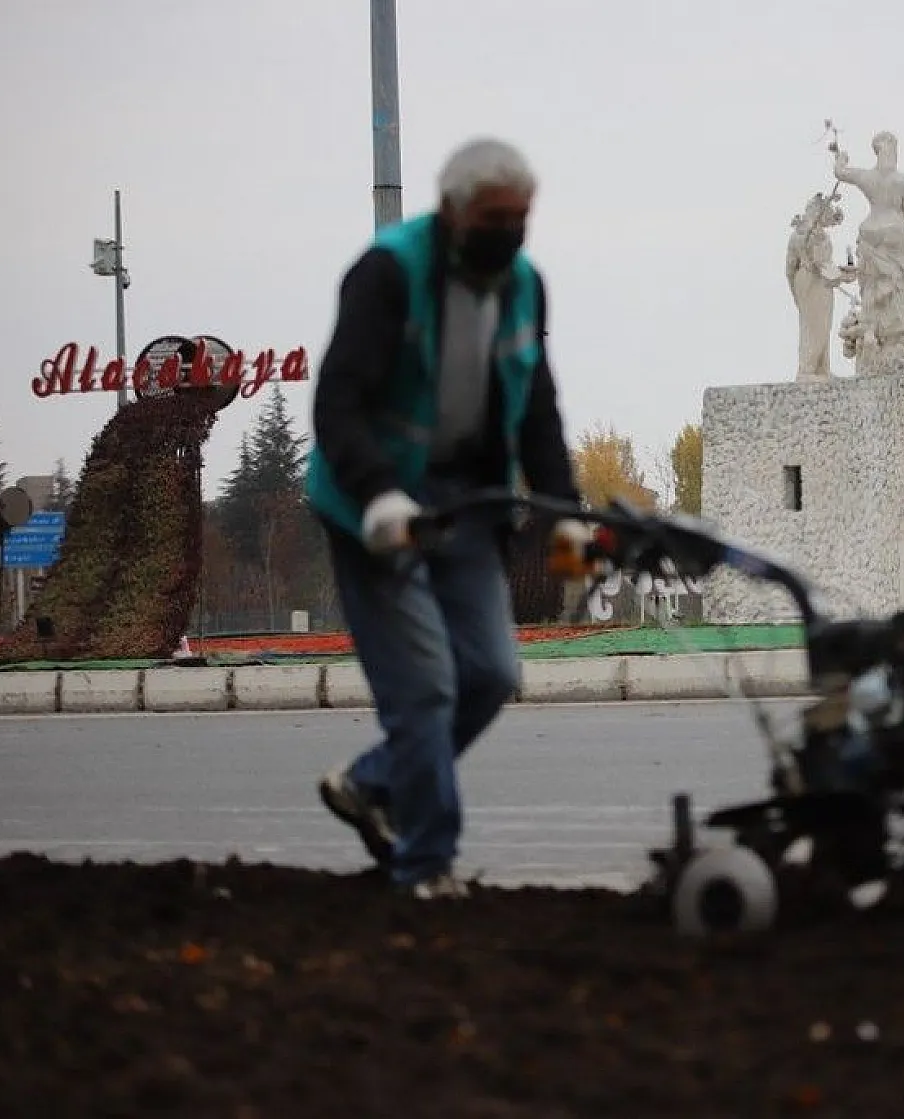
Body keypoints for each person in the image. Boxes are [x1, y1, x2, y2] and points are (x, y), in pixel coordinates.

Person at [303, 137, 592, 900]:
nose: (511, 231)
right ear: (455, 209)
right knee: (426, 686)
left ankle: (371, 783)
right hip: (375, 504)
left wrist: (564, 513)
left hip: (467, 499)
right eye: (496, 217)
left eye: (521, 217)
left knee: (493, 671)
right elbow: (337, 400)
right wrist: (378, 496)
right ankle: (427, 865)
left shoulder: (523, 286)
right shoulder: (389, 273)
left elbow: (537, 408)